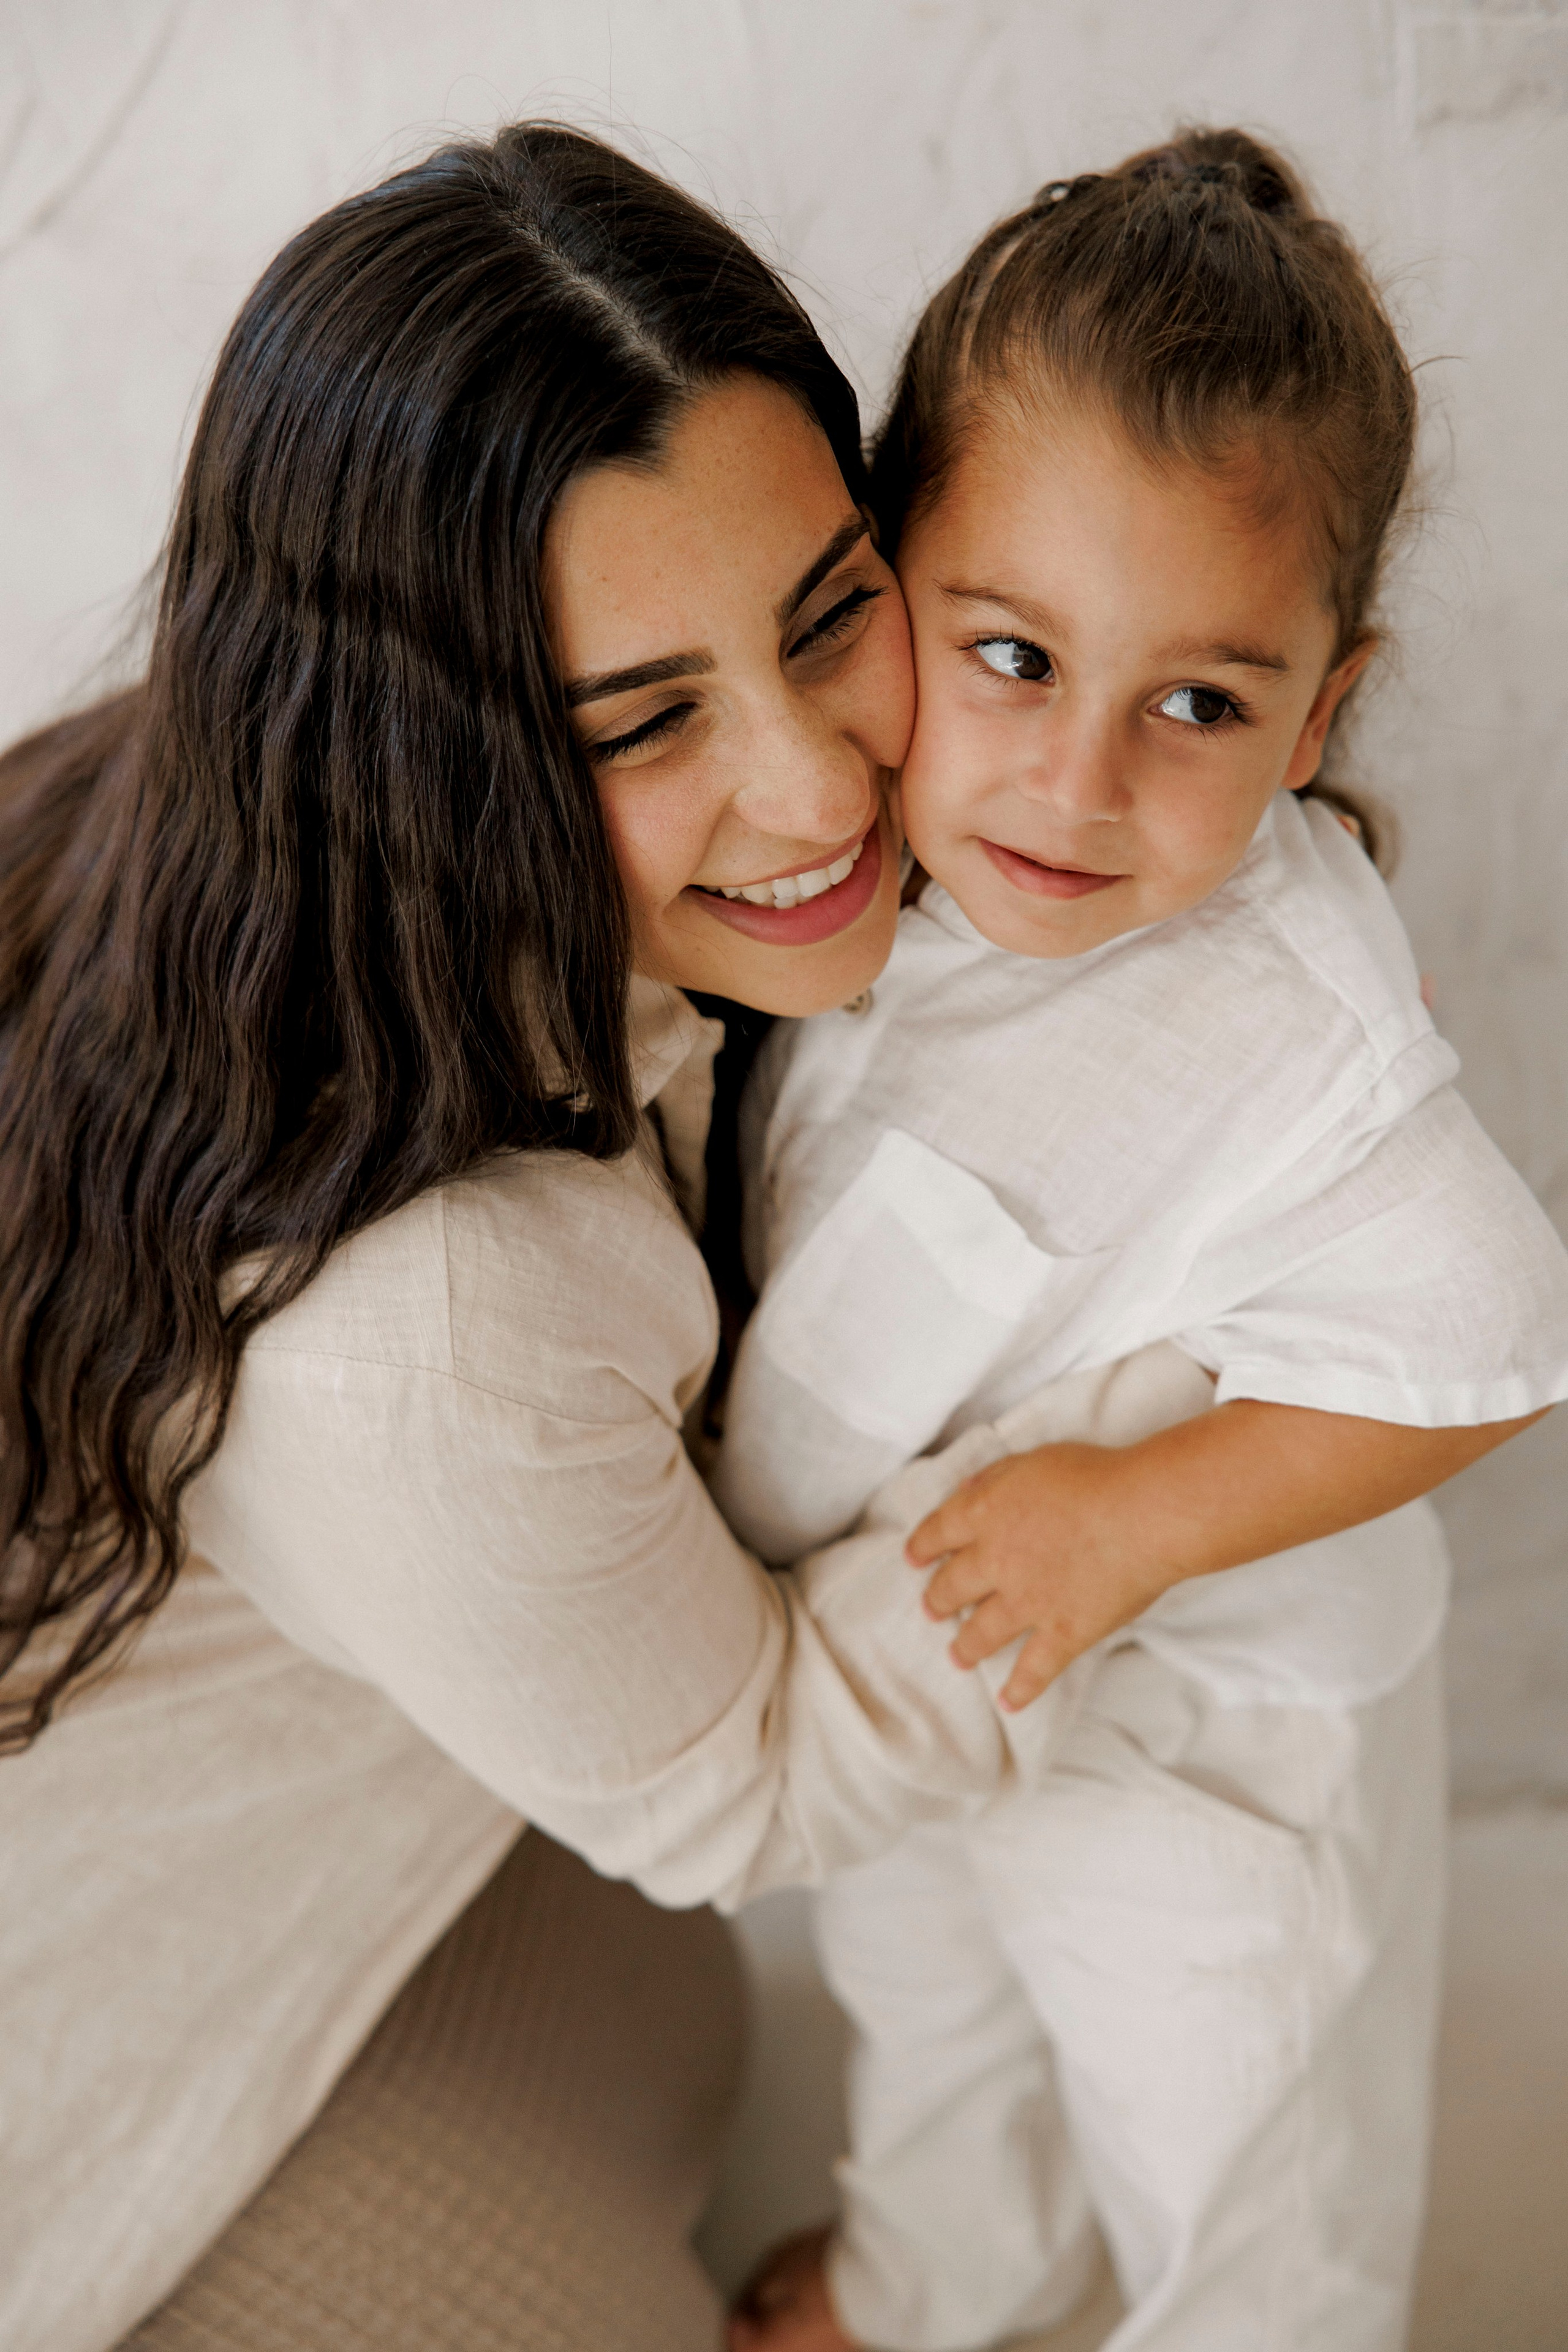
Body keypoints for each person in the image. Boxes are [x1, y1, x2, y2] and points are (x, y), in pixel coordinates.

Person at [0, 124, 1159, 2352]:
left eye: (832, 612)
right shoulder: (440, 1313)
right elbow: (755, 1786)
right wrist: (1175, 1447)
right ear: (427, 762)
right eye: (643, 724)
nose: (822, 791)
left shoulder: (213, 817)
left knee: (674, 2024)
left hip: (401, 1821)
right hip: (86, 2074)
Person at [717, 130, 1568, 2352]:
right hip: (921, 1652)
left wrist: (1139, 1521)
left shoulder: (1283, 1025)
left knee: (1236, 2171)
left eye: (1197, 705)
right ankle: (935, 2274)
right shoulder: (851, 852)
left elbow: (1498, 1330)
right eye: (1011, 657)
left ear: (1323, 706)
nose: (1075, 785)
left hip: (1198, 1746)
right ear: (885, 574)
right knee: (934, 2012)